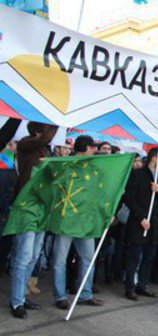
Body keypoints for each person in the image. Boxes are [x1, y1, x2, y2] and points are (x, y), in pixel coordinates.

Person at [8, 122, 57, 318]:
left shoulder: (44, 148)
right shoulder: (26, 144)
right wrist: (57, 119)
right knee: (24, 256)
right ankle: (16, 301)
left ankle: (22, 295)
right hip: (26, 207)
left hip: (42, 207)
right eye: (48, 129)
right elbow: (43, 139)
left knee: (34, 256)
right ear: (39, 132)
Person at [52, 135, 104, 310]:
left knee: (88, 259)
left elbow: (97, 194)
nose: (95, 150)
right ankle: (60, 296)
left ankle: (85, 294)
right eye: (93, 147)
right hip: (67, 221)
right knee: (60, 260)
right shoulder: (67, 165)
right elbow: (55, 187)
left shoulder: (93, 168)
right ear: (86, 148)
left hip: (86, 223)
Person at [122, 147, 158, 300]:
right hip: (139, 222)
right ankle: (129, 287)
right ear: (154, 158)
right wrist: (141, 217)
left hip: (154, 223)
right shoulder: (138, 175)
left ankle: (143, 285)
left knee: (149, 257)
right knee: (135, 257)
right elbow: (129, 198)